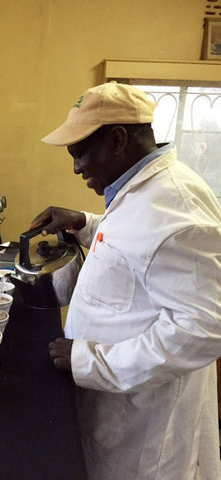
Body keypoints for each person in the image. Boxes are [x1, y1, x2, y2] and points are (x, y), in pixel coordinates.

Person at [30, 81, 221, 480]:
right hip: (113, 397)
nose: (76, 167)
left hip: (141, 416)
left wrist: (93, 362)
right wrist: (85, 223)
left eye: (80, 153)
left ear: (117, 140)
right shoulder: (145, 186)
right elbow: (138, 246)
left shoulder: (178, 212)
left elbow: (205, 328)